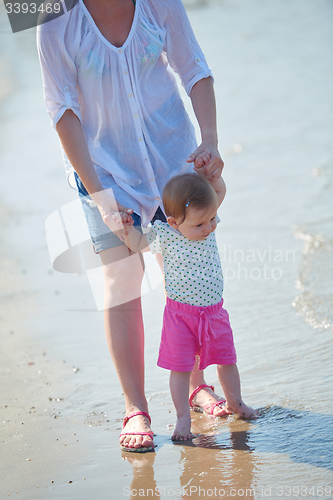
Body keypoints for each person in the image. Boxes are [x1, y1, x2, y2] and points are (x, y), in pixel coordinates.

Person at [37, 0, 227, 452]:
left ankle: (198, 387)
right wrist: (102, 199)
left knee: (189, 280)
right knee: (121, 285)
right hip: (104, 173)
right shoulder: (53, 16)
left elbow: (195, 68)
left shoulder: (161, 3)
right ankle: (135, 407)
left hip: (174, 164)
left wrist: (211, 140)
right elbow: (61, 108)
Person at [108, 168, 256, 441]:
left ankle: (236, 402)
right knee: (181, 368)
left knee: (227, 360)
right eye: (200, 225)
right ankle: (183, 419)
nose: (209, 227)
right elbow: (139, 243)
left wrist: (212, 174)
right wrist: (124, 228)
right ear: (174, 222)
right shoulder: (165, 234)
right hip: (181, 317)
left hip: (215, 313)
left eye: (211, 220)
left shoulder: (206, 222)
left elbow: (219, 192)